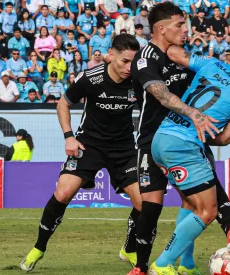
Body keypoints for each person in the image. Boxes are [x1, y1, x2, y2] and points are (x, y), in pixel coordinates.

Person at [129, 3, 230, 275]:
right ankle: (140, 267)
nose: (186, 29)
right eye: (180, 25)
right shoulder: (146, 58)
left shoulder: (182, 57)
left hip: (187, 138)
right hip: (152, 140)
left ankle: (186, 263)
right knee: (152, 207)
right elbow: (161, 94)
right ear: (161, 28)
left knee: (196, 201)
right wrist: (194, 113)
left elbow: (208, 89)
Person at [149, 48, 230, 275]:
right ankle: (162, 264)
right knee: (208, 211)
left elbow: (175, 53)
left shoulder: (213, 64)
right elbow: (222, 139)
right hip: (184, 146)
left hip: (161, 138)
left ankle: (186, 264)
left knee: (191, 204)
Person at [20, 34, 143, 272]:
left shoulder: (139, 79)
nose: (129, 67)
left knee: (145, 203)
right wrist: (69, 137)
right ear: (112, 55)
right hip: (89, 145)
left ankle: (128, 249)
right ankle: (39, 248)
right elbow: (63, 103)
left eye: (133, 61)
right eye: (124, 61)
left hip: (124, 148)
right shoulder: (91, 78)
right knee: (63, 192)